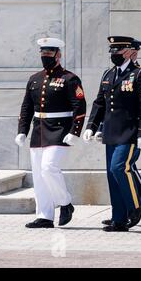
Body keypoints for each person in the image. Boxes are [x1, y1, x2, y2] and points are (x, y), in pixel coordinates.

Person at [83, 36, 141, 232]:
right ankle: (119, 218)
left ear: (127, 52)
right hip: (111, 133)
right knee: (112, 175)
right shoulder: (108, 74)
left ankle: (136, 207)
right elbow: (100, 103)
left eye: (117, 52)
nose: (114, 56)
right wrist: (92, 126)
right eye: (112, 52)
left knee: (119, 168)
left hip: (130, 133)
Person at [16, 37, 86, 228]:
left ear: (58, 55)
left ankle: (65, 203)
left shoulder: (69, 79)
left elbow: (79, 106)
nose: (45, 57)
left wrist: (75, 131)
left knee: (49, 168)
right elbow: (26, 108)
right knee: (39, 176)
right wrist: (22, 130)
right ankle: (45, 216)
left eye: (49, 53)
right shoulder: (35, 79)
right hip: (39, 131)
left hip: (59, 130)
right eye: (43, 53)